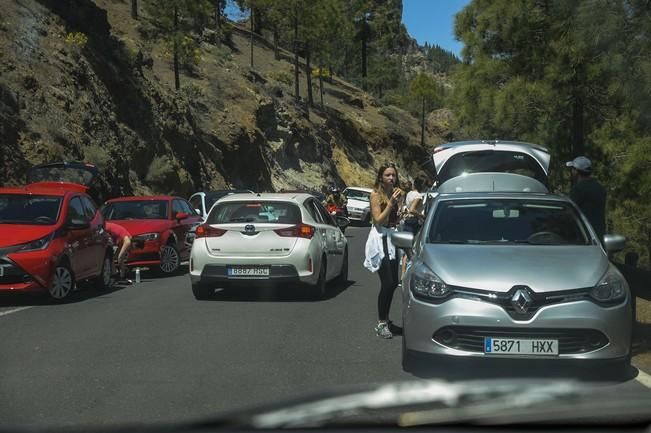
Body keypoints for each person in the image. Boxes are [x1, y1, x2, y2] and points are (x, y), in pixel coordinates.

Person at [363, 163, 404, 339]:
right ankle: (381, 323)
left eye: (393, 175)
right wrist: (391, 204)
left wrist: (402, 212)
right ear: (381, 177)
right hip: (380, 239)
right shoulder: (375, 195)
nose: (391, 178)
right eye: (388, 175)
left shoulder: (397, 193)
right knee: (387, 282)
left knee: (394, 282)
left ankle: (387, 320)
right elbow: (378, 220)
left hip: (392, 237)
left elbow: (396, 217)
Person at [566, 156, 607, 243]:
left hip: (583, 237)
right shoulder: (600, 188)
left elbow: (569, 213)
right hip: (599, 236)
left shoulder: (578, 190)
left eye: (572, 169)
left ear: (576, 172)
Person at [401, 177, 426, 278]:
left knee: (406, 248)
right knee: (412, 248)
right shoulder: (418, 196)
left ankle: (403, 275)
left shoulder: (409, 194)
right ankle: (408, 274)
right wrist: (421, 216)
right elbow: (412, 210)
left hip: (407, 221)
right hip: (414, 222)